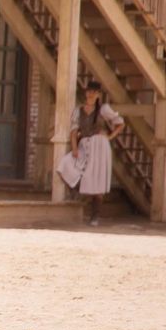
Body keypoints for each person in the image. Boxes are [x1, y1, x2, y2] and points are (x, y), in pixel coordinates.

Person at [57, 80, 125, 226]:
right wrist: (74, 148)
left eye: (94, 92)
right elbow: (74, 131)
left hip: (100, 146)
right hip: (84, 144)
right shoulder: (79, 110)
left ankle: (95, 216)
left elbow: (120, 123)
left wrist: (109, 136)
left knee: (98, 180)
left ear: (98, 94)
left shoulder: (103, 109)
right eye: (89, 91)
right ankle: (77, 191)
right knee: (65, 164)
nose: (91, 94)